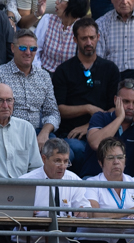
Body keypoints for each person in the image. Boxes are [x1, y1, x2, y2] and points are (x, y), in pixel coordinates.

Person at [52, 18, 119, 165]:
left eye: (92, 38)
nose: (88, 42)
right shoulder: (63, 71)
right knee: (77, 149)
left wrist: (91, 126)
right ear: (75, 39)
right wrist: (88, 109)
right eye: (84, 38)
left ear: (98, 38)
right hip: (71, 134)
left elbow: (114, 108)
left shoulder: (110, 69)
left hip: (103, 131)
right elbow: (59, 109)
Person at [83, 137, 134, 243]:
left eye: (120, 157)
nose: (116, 162)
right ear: (100, 162)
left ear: (125, 161)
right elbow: (95, 216)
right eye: (110, 158)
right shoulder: (91, 183)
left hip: (129, 242)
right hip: (95, 242)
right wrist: (131, 211)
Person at [0, 28, 59, 147]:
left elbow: (53, 113)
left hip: (39, 132)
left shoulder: (44, 76)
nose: (28, 52)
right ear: (13, 48)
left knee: (66, 155)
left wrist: (44, 133)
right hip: (9, 132)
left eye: (33, 49)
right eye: (23, 48)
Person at [84, 78, 134, 181]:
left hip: (129, 185)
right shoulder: (100, 117)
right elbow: (96, 144)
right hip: (94, 181)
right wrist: (120, 118)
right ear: (116, 100)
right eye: (126, 101)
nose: (130, 107)